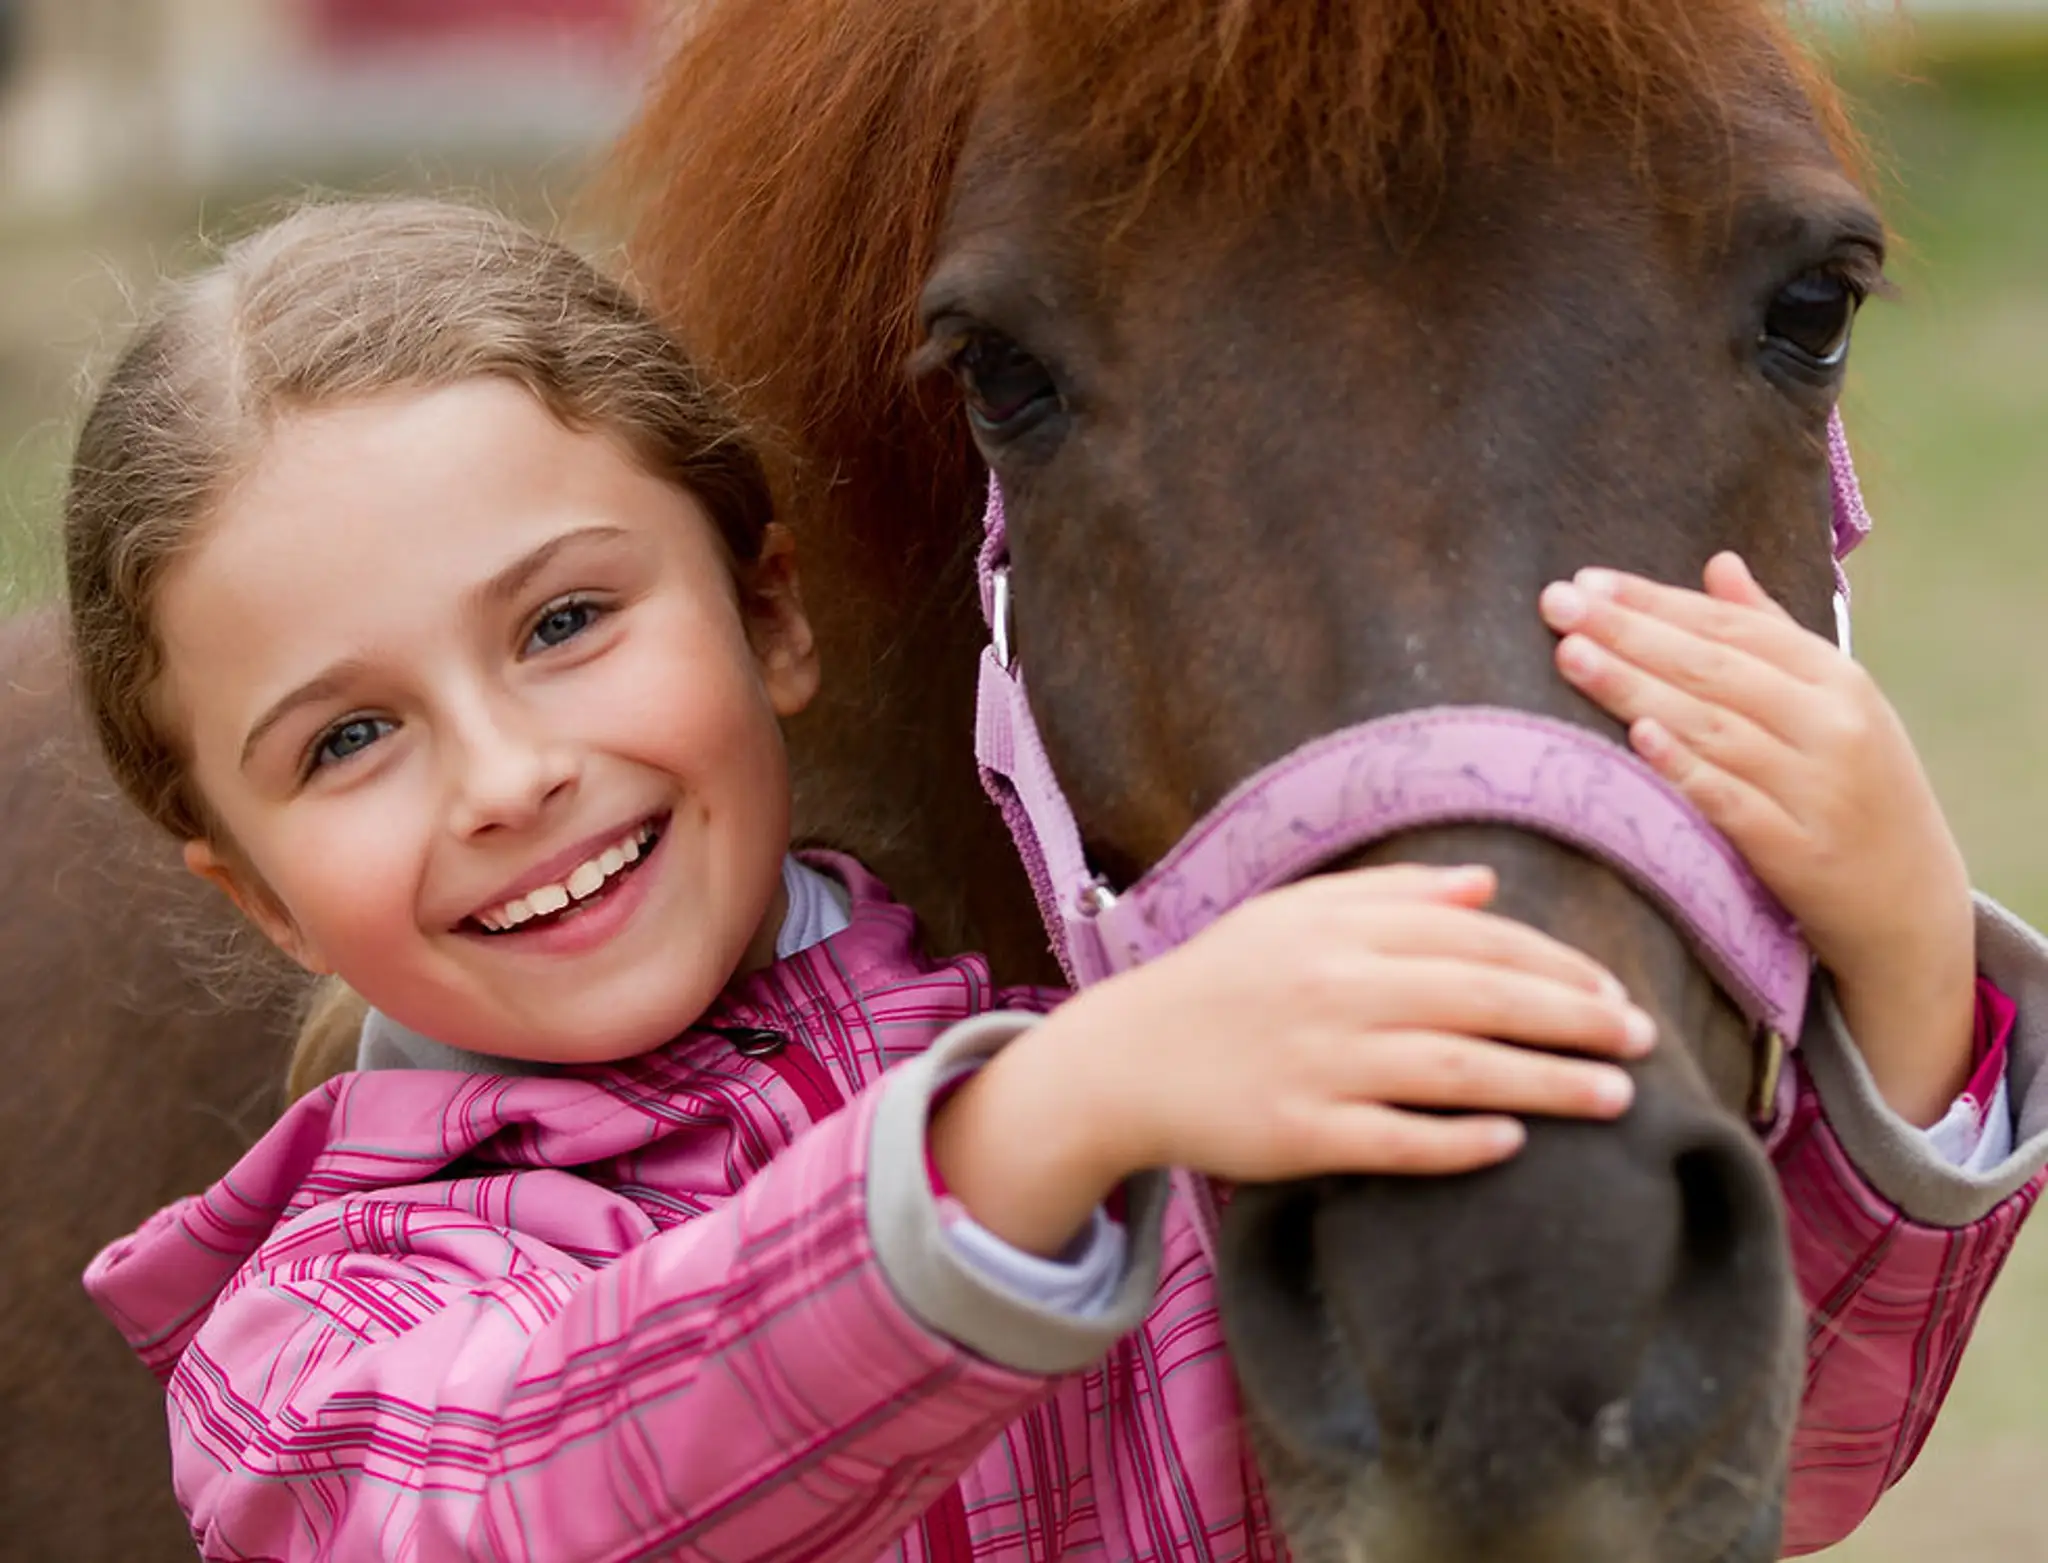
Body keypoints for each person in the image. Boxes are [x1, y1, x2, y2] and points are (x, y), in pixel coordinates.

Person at [69, 197, 2042, 1562]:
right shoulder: (331, 1330)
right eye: (346, 739)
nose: (504, 775)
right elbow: (493, 1510)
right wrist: (1025, 1136)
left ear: (772, 616)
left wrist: (1898, 980)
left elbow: (1720, 1475)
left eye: (567, 620)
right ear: (246, 884)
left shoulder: (1159, 1083)